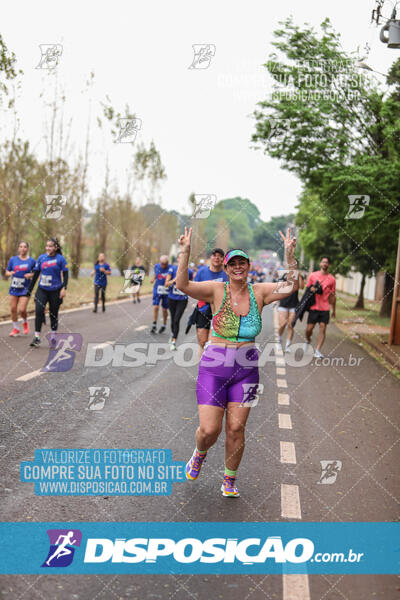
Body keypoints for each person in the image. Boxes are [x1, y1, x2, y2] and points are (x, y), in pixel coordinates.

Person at [176, 227, 298, 497]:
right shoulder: (215, 290)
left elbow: (291, 286)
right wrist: (184, 253)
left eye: (242, 262)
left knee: (235, 428)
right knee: (209, 429)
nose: (238, 267)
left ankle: (229, 479)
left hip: (247, 370)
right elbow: (183, 286)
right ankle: (200, 453)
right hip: (214, 367)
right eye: (233, 263)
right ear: (227, 268)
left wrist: (290, 256)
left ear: (248, 266)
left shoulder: (260, 292)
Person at [27, 238, 69, 348]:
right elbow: (36, 274)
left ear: (56, 248)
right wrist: (30, 289)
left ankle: (54, 336)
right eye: (47, 246)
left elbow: (65, 274)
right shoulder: (41, 258)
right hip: (42, 289)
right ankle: (36, 337)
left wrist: (64, 288)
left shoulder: (60, 259)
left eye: (50, 246)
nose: (48, 248)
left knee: (53, 313)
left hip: (55, 291)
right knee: (39, 311)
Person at [193, 248, 228, 353]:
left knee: (212, 343)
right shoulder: (202, 272)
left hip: (220, 312)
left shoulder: (227, 274)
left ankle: (211, 367)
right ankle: (201, 366)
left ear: (223, 259)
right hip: (203, 309)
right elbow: (193, 289)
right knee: (202, 341)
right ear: (210, 258)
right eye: (214, 255)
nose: (217, 258)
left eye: (220, 256)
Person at [304, 257, 336, 358]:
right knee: (309, 329)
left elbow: (333, 296)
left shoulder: (332, 279)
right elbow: (307, 290)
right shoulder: (313, 275)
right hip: (314, 307)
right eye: (323, 262)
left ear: (329, 265)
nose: (325, 264)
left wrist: (334, 310)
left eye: (327, 262)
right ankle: (308, 340)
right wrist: (312, 289)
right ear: (320, 264)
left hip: (325, 308)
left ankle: (317, 350)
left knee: (323, 327)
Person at [5, 241, 36, 336]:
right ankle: (16, 328)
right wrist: (9, 273)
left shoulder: (31, 261)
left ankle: (25, 322)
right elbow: (7, 271)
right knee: (13, 309)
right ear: (18, 248)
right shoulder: (13, 259)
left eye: (25, 247)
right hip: (14, 288)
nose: (23, 249)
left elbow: (36, 273)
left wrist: (31, 275)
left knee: (22, 310)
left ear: (27, 249)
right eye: (21, 247)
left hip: (25, 288)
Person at [165, 253, 193, 350]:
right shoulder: (172, 269)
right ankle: (173, 334)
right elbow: (166, 284)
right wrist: (174, 280)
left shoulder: (189, 271)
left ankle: (174, 340)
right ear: (177, 259)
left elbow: (191, 285)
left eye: (184, 258)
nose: (182, 260)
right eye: (180, 258)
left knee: (177, 319)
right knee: (173, 319)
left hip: (182, 300)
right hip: (172, 298)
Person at [278, 271, 304, 352]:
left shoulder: (298, 276)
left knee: (291, 325)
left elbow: (302, 287)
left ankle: (287, 346)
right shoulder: (284, 275)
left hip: (294, 304)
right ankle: (278, 340)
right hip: (283, 303)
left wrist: (299, 275)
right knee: (282, 324)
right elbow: (280, 287)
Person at [150, 255, 170, 334]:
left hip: (166, 291)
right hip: (157, 289)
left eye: (165, 264)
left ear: (168, 263)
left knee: (164, 309)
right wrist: (153, 279)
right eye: (162, 263)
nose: (163, 265)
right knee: (156, 307)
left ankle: (164, 325)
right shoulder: (156, 266)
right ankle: (154, 324)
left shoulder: (171, 268)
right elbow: (156, 274)